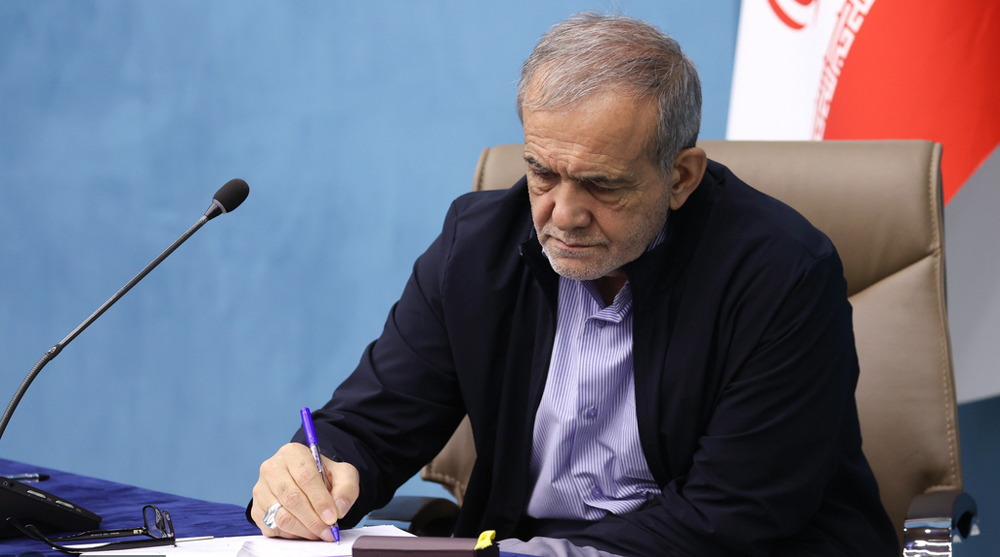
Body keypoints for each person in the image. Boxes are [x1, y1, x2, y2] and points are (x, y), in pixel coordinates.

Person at [249, 12, 899, 557]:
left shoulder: (781, 272)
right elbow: (370, 424)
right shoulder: (475, 248)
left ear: (681, 176)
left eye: (601, 184)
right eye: (542, 172)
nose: (562, 213)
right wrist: (317, 468)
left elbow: (733, 515)